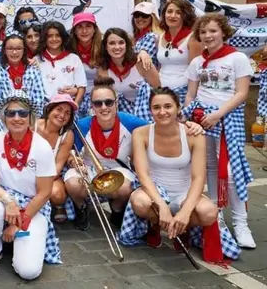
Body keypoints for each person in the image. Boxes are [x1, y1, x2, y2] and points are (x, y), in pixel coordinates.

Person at [127, 88, 239, 261]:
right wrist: (162, 206)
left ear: (178, 108)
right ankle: (155, 224)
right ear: (150, 110)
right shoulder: (140, 133)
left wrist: (185, 211)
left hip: (184, 192)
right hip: (154, 192)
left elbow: (198, 178)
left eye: (168, 106)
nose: (162, 112)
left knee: (209, 212)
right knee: (139, 202)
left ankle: (183, 228)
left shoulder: (194, 135)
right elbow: (143, 174)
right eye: (156, 107)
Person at [0, 92, 61, 277]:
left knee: (29, 272)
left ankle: (15, 235)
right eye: (11, 114)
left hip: (33, 206)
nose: (16, 118)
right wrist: (8, 200)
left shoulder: (41, 147)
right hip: (6, 199)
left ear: (30, 117)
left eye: (22, 113)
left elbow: (44, 194)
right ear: (4, 117)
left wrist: (20, 223)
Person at [183, 13, 255, 249]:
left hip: (226, 120)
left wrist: (218, 115)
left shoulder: (237, 58)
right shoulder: (197, 63)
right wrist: (187, 116)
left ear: (223, 31)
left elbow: (242, 93)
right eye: (203, 32)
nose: (208, 36)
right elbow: (191, 94)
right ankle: (217, 217)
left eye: (212, 31)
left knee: (231, 172)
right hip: (202, 119)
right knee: (210, 168)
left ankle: (241, 222)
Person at [66, 77, 148, 232]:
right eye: (98, 103)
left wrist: (188, 126)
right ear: (92, 107)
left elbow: (156, 129)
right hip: (89, 168)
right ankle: (81, 208)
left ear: (116, 103)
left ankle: (117, 208)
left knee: (125, 188)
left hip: (119, 168)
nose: (104, 107)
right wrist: (74, 162)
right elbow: (71, 153)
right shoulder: (83, 125)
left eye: (109, 102)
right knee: (72, 184)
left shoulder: (129, 121)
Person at [139, 0, 202, 103]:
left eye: (178, 13)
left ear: (185, 15)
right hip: (160, 92)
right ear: (164, 15)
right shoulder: (160, 37)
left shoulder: (193, 38)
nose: (172, 16)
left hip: (182, 93)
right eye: (169, 11)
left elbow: (196, 72)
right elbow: (160, 66)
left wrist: (189, 100)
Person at [35, 95, 77, 223]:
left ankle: (57, 205)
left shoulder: (67, 135)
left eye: (67, 113)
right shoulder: (33, 125)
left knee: (57, 194)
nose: (62, 115)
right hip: (25, 169)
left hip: (49, 174)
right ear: (49, 109)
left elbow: (58, 166)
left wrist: (38, 182)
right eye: (59, 109)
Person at [97, 28, 160, 114]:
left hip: (148, 109)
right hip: (123, 111)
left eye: (121, 42)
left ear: (127, 45)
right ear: (105, 46)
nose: (117, 47)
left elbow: (159, 90)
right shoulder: (103, 70)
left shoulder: (141, 62)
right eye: (112, 43)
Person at [0, 34, 47, 115]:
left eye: (19, 48)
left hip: (30, 120)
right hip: (5, 120)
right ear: (4, 51)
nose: (14, 52)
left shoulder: (33, 71)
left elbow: (39, 101)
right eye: (10, 48)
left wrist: (32, 122)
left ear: (24, 50)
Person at [36, 21, 86, 106]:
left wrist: (75, 105)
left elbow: (81, 86)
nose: (54, 39)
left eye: (58, 35)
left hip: (69, 105)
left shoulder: (73, 58)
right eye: (50, 36)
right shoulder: (37, 60)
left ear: (63, 37)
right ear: (44, 38)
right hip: (46, 107)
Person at [69, 13, 101, 116]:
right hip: (74, 95)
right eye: (80, 27)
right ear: (74, 30)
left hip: (98, 95)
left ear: (94, 29)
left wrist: (143, 52)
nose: (84, 31)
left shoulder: (104, 48)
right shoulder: (67, 49)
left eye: (88, 26)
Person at [131, 2, 160, 68]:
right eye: (136, 15)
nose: (140, 18)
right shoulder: (136, 38)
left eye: (145, 15)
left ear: (153, 17)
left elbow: (139, 61)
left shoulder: (152, 36)